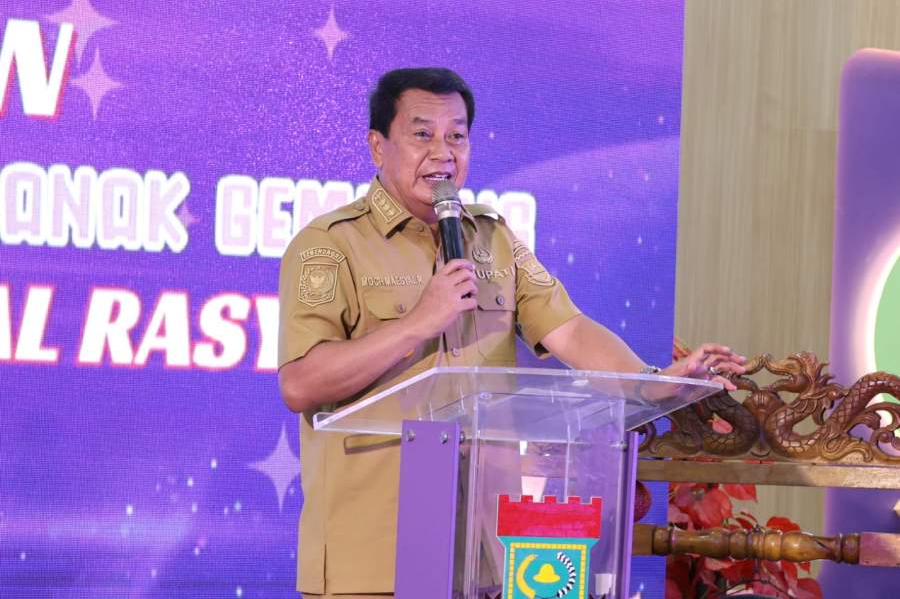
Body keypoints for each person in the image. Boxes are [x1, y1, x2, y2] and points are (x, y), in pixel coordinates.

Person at [277, 67, 745, 598]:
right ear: (378, 146)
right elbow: (301, 384)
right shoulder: (330, 245)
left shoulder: (492, 240)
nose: (442, 152)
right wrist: (416, 324)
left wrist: (653, 382)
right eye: (422, 134)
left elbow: (570, 330)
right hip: (374, 557)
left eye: (457, 136)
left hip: (485, 558)